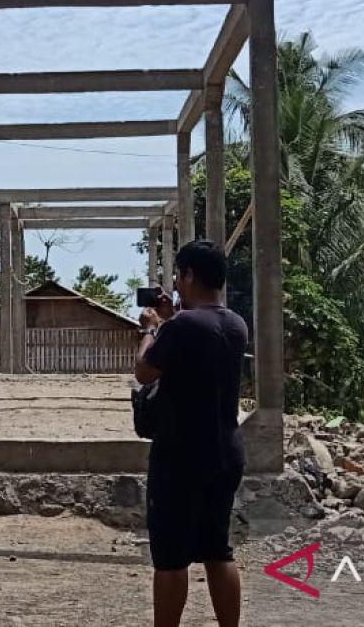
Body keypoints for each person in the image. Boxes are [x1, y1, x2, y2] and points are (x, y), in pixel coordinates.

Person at [134, 239, 247, 627]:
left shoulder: (181, 326)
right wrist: (172, 318)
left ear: (190, 275)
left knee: (170, 557)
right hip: (225, 451)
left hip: (181, 454)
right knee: (218, 550)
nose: (176, 285)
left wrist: (150, 329)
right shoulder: (235, 324)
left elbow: (144, 371)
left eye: (179, 276)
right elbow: (199, 338)